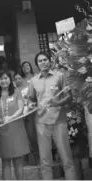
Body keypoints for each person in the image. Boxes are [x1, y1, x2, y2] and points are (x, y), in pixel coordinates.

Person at [28, 52, 77, 180]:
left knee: (66, 157)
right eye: (40, 61)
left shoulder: (59, 76)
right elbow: (31, 99)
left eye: (45, 60)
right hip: (41, 123)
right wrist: (31, 105)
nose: (43, 62)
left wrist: (57, 102)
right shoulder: (33, 81)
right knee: (45, 160)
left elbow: (69, 96)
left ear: (50, 61)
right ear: (37, 65)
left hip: (59, 121)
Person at [0, 71, 30, 180]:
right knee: (5, 162)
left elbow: (21, 109)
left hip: (17, 130)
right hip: (2, 132)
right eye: (1, 79)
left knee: (18, 162)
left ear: (10, 80)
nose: (3, 81)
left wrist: (10, 117)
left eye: (6, 78)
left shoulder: (17, 92)